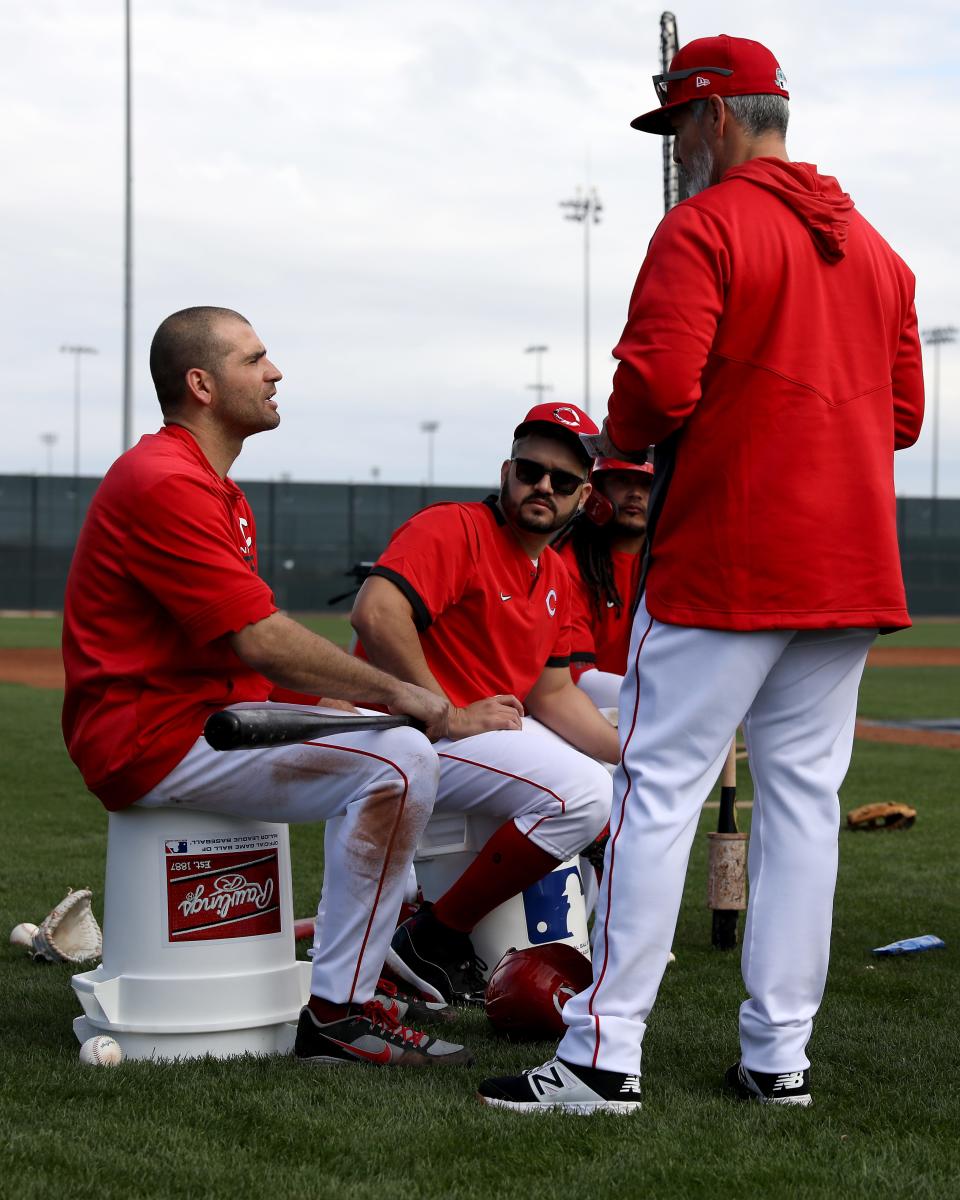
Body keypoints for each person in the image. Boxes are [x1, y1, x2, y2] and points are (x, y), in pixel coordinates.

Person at [479, 34, 924, 1113]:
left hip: (730, 558)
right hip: (849, 569)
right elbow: (903, 421)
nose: (675, 147)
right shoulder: (878, 251)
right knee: (805, 811)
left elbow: (651, 399)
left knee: (654, 797)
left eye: (677, 124)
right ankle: (779, 1059)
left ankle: (602, 1056)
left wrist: (674, 421)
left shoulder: (704, 224)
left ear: (714, 116)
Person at [61, 306, 473, 1069]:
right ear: (202, 384)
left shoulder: (214, 488)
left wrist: (325, 708)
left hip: (199, 718)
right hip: (147, 738)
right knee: (402, 760)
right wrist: (404, 694)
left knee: (384, 742)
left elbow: (235, 655)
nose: (274, 372)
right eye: (255, 359)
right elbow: (261, 638)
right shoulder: (164, 481)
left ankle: (358, 967)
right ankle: (340, 1014)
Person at [351, 403, 618, 1004]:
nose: (543, 486)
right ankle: (434, 937)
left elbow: (552, 696)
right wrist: (445, 710)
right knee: (582, 794)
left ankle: (547, 932)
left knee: (611, 776)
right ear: (507, 470)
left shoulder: (554, 572)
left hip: (461, 742)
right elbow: (375, 613)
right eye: (530, 470)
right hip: (401, 738)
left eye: (564, 480)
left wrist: (638, 754)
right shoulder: (453, 528)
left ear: (583, 496)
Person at [553, 454, 654, 711]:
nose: (635, 493)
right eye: (622, 480)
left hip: (647, 711)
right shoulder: (566, 563)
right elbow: (579, 680)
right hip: (577, 713)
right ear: (596, 490)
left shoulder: (671, 561)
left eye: (647, 484)